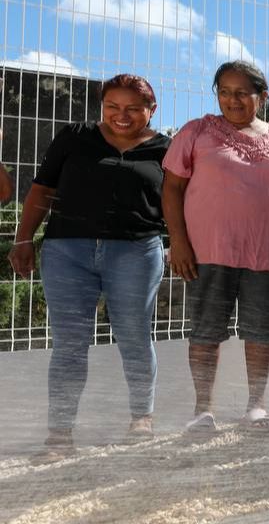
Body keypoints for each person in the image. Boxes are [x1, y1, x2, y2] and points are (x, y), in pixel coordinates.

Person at [10, 76, 168, 461]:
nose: (122, 115)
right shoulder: (74, 137)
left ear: (151, 109)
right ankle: (59, 436)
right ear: (102, 106)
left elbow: (179, 204)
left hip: (136, 251)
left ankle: (140, 420)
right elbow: (41, 190)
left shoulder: (167, 149)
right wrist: (23, 237)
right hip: (68, 252)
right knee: (69, 344)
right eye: (112, 106)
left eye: (133, 108)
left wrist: (182, 245)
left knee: (133, 335)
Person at [162, 60, 269, 436]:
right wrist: (177, 241)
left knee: (261, 330)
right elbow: (172, 189)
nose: (233, 99)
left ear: (263, 96)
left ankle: (256, 407)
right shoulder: (197, 132)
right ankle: (202, 411)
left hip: (268, 251)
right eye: (225, 91)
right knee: (207, 330)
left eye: (242, 92)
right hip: (207, 252)